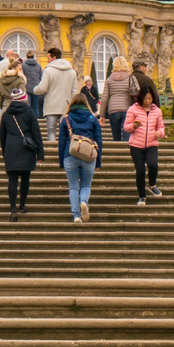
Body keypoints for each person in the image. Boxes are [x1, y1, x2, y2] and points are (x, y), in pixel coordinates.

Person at [0, 84, 42, 221]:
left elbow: (2, 135)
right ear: (24, 99)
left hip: (11, 147)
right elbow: (36, 133)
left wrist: (5, 151)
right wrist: (40, 153)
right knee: (25, 178)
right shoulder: (29, 112)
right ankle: (22, 204)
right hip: (26, 148)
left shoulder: (6, 114)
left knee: (12, 179)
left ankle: (12, 208)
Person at [57, 92, 102, 223]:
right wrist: (98, 161)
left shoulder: (66, 118)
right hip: (88, 154)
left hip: (70, 154)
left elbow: (61, 141)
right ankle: (84, 201)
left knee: (73, 187)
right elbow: (99, 140)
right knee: (86, 185)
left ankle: (76, 215)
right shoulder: (92, 118)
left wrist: (61, 161)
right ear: (86, 103)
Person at [123, 85, 165, 204]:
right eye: (145, 98)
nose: (147, 101)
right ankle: (142, 196)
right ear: (140, 98)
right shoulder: (133, 109)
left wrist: (159, 133)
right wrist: (133, 126)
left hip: (152, 144)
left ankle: (152, 184)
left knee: (153, 165)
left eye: (149, 98)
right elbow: (126, 127)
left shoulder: (157, 111)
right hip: (136, 145)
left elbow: (161, 127)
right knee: (140, 171)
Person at [33, 46, 78, 145]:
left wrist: (34, 89)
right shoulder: (72, 72)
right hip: (66, 106)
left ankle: (52, 152)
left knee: (51, 131)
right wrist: (73, 105)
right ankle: (66, 152)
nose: (47, 60)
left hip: (51, 105)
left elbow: (42, 88)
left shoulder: (48, 71)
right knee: (67, 131)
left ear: (54, 57)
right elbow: (74, 91)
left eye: (48, 57)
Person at [100, 55, 136, 143]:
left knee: (116, 137)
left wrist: (102, 115)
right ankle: (126, 154)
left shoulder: (109, 79)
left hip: (113, 109)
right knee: (127, 135)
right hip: (127, 109)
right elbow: (137, 93)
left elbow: (104, 98)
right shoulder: (131, 78)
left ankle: (116, 154)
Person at [22, 50, 43, 117]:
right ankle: (36, 121)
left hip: (27, 87)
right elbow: (41, 77)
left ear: (27, 56)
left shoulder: (23, 66)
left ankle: (28, 121)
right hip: (36, 88)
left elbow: (22, 76)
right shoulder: (38, 66)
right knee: (35, 107)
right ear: (33, 56)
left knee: (28, 106)